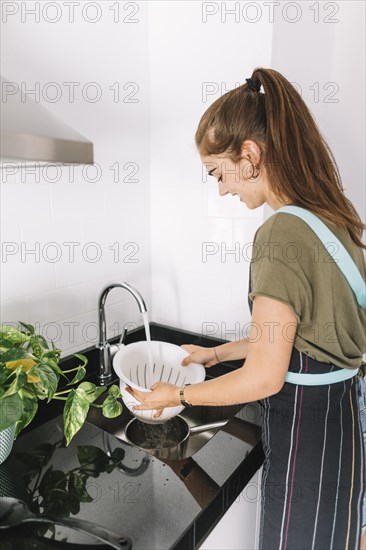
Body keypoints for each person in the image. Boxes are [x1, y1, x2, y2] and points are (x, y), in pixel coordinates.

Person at [126, 68, 366, 550]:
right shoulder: (333, 217)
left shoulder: (279, 233)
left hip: (308, 438)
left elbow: (264, 377)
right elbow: (302, 333)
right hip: (343, 424)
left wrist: (177, 397)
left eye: (219, 172)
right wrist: (214, 356)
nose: (222, 189)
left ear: (250, 154)